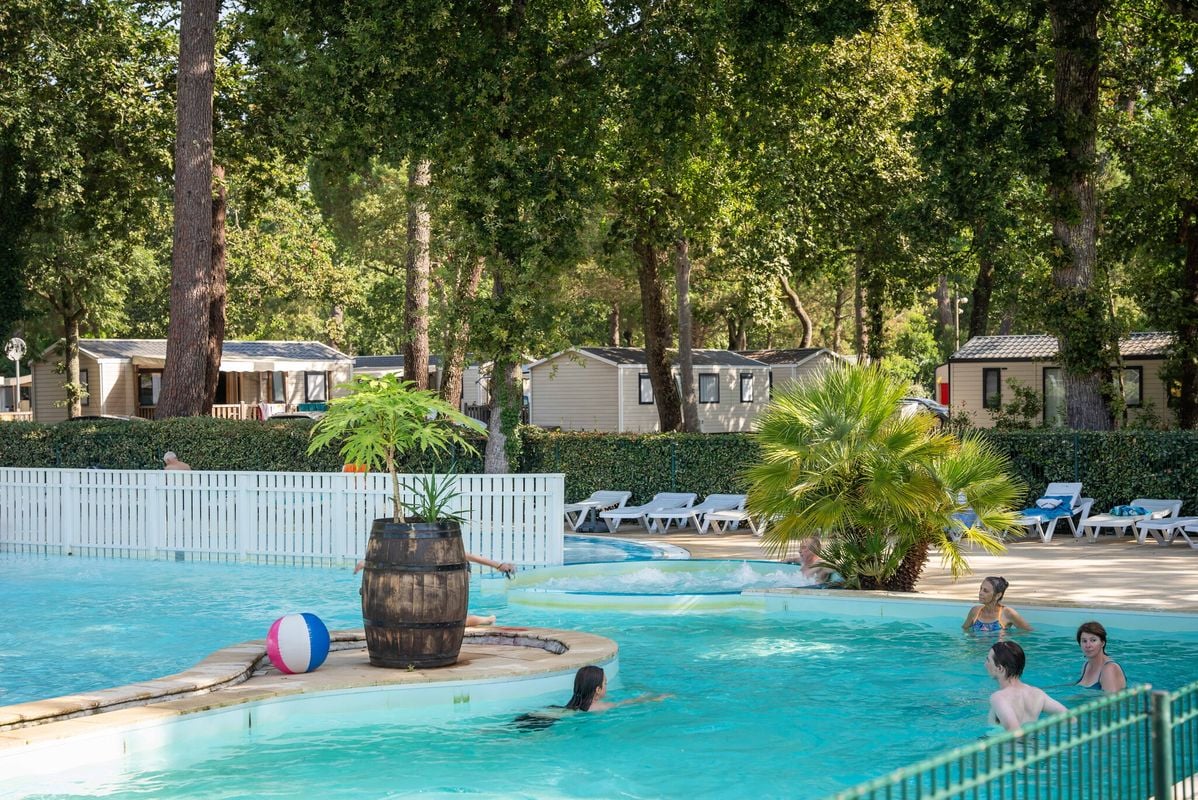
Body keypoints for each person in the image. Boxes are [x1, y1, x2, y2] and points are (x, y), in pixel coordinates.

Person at [353, 552, 514, 627]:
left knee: (450, 618)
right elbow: (395, 559)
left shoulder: (449, 549)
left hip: (457, 573)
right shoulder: (423, 551)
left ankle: (486, 620)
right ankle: (485, 620)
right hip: (436, 577)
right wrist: (368, 563)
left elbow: (473, 557)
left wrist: (498, 565)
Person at [986, 641, 1067, 732]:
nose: (985, 664)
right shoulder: (1037, 693)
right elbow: (1070, 719)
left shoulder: (999, 697)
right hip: (1032, 744)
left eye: (988, 660)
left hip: (1007, 746)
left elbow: (1015, 732)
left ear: (1000, 668)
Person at [962, 576, 1032, 632]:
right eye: (981, 588)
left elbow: (1029, 632)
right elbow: (964, 629)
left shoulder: (1007, 613)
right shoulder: (975, 611)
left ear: (998, 595)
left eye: (985, 591)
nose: (980, 593)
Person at [1075, 621, 1127, 692]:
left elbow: (1111, 700)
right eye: (1084, 641)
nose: (1088, 645)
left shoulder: (1109, 669)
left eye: (1093, 640)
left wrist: (1078, 697)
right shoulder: (1086, 665)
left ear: (1102, 643)